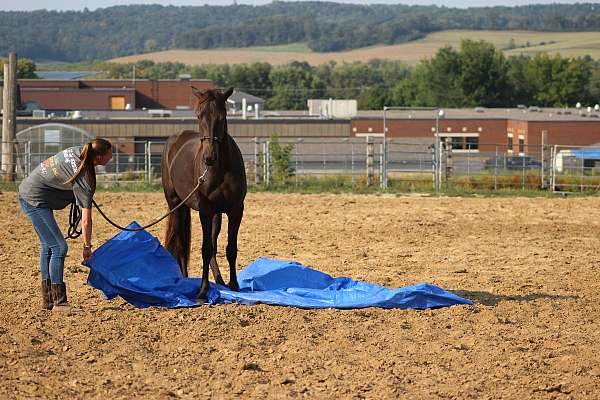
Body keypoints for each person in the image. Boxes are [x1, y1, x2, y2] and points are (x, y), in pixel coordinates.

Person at [19, 138, 113, 311]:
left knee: (48, 246)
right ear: (99, 157)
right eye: (109, 155)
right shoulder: (84, 175)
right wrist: (87, 246)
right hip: (34, 200)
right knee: (59, 248)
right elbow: (86, 220)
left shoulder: (79, 151)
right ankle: (59, 302)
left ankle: (49, 300)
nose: (111, 158)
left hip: (30, 193)